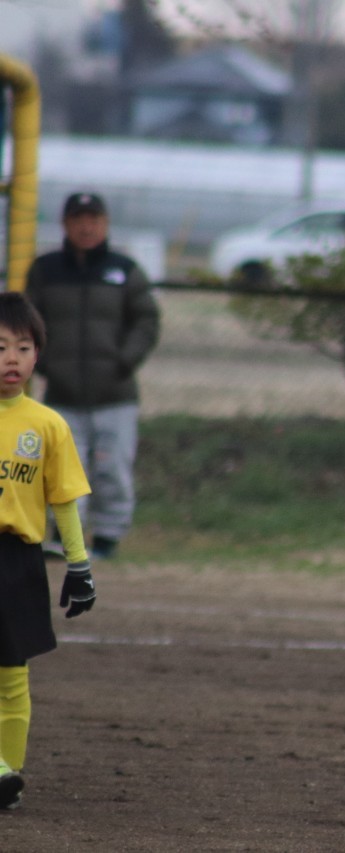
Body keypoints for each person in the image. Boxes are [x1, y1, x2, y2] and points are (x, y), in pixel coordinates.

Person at [25, 191, 161, 560]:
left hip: (115, 393)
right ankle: (64, 537)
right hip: (62, 394)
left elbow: (147, 320)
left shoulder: (125, 270)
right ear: (65, 224)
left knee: (112, 468)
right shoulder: (46, 270)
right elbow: (28, 321)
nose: (86, 227)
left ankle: (107, 538)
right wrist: (45, 362)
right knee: (63, 470)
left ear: (105, 224)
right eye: (78, 219)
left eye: (94, 220)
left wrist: (125, 359)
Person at [0, 292, 96, 810]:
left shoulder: (47, 425)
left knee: (13, 676)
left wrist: (78, 565)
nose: (11, 358)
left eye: (23, 346)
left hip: (17, 561)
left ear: (38, 354)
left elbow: (62, 501)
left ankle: (8, 779)